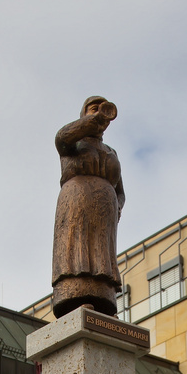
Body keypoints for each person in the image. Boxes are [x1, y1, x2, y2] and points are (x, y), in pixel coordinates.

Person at [51, 95, 126, 318]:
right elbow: (61, 137)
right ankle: (74, 299)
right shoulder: (73, 144)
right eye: (93, 109)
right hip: (77, 202)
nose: (99, 114)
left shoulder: (111, 152)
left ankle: (104, 302)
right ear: (83, 114)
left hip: (105, 211)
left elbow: (121, 191)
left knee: (103, 255)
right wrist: (91, 121)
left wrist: (117, 206)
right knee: (77, 250)